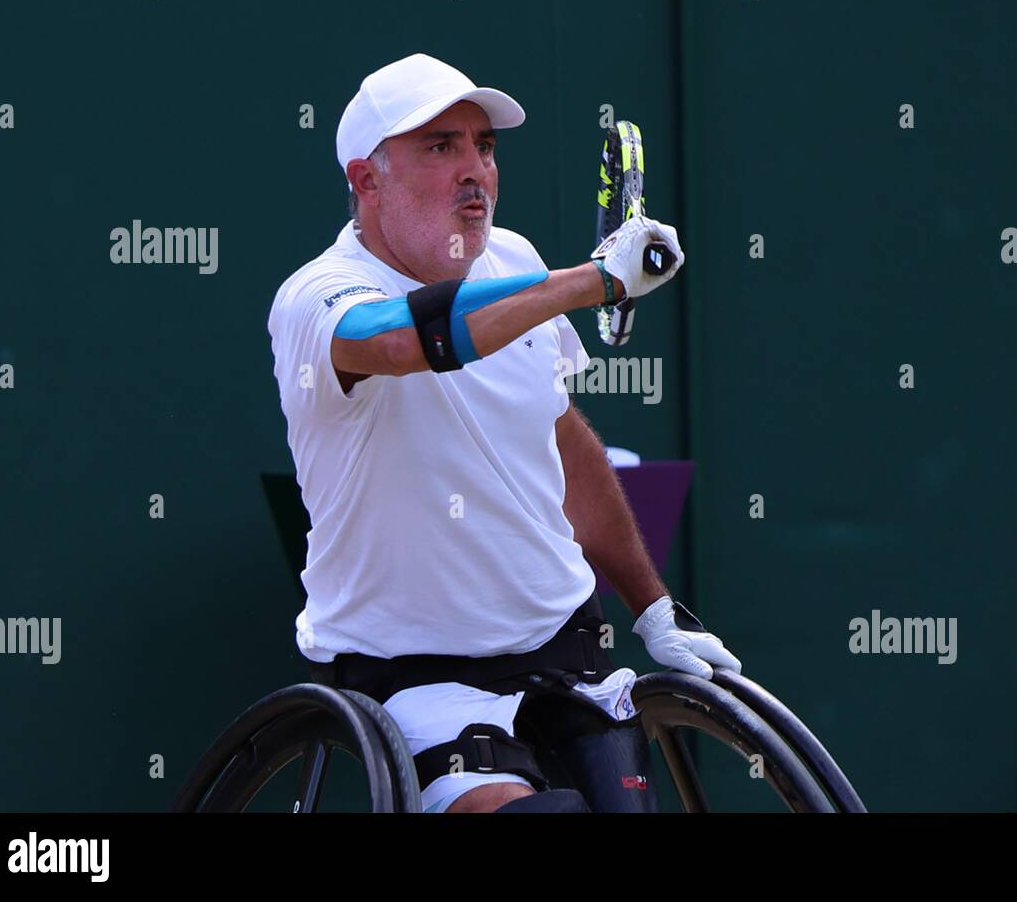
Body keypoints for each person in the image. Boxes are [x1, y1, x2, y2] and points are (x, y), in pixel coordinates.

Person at [267, 53, 741, 813]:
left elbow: (558, 440)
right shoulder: (316, 298)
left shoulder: (514, 261)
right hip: (421, 687)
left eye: (483, 147)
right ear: (366, 181)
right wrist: (594, 282)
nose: (474, 170)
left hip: (569, 662)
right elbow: (399, 341)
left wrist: (652, 608)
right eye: (440, 147)